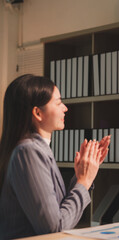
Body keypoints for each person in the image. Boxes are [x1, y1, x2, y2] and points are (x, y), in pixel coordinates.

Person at [0, 74, 111, 239]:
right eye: (58, 103)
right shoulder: (28, 151)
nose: (65, 108)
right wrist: (84, 181)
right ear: (38, 113)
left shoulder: (36, 148)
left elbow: (57, 210)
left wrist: (81, 176)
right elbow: (53, 228)